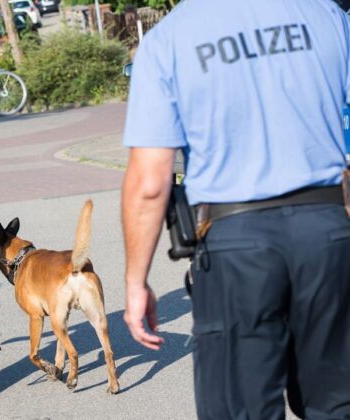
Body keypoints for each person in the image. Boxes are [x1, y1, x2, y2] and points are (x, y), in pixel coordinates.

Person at [120, 1, 350, 419]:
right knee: (339, 403)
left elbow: (150, 184)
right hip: (329, 230)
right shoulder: (326, 15)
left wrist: (137, 281)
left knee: (239, 408)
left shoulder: (170, 39)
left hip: (235, 246)